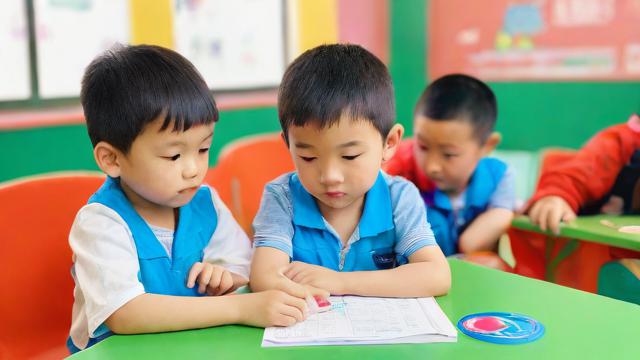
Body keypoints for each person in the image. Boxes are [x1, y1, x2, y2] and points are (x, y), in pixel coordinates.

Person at [68, 44, 309, 353]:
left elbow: (241, 270)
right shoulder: (100, 222)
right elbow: (125, 313)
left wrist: (225, 278)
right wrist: (240, 308)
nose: (194, 169)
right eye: (174, 155)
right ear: (112, 159)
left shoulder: (206, 204)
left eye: (203, 149)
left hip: (191, 349)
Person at [249, 44, 451, 298]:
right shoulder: (282, 197)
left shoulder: (398, 197)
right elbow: (264, 277)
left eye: (350, 156)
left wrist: (340, 282)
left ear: (388, 144)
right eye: (308, 157)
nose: (330, 176)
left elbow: (436, 275)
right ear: (288, 146)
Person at [384, 74, 516, 256]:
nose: (432, 166)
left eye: (449, 154)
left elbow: (473, 244)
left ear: (487, 146)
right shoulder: (396, 174)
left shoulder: (498, 177)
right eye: (422, 146)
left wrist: (502, 213)